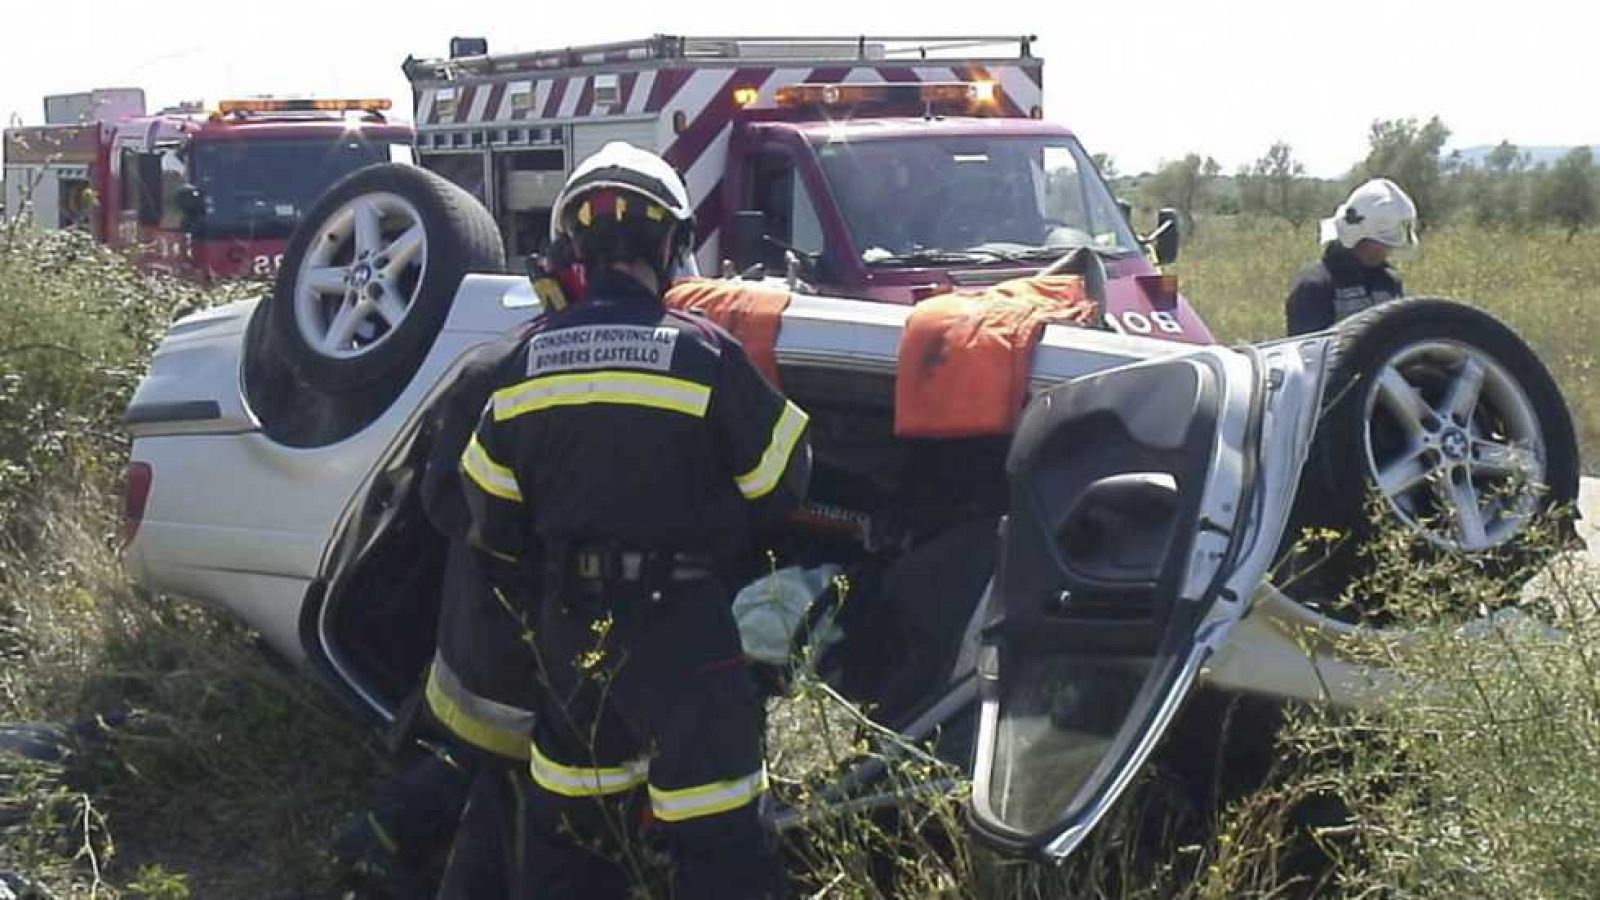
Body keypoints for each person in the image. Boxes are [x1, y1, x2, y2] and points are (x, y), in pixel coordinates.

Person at [458, 141, 811, 898]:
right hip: (683, 630)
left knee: (574, 848)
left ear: (574, 247)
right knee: (719, 845)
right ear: (672, 244)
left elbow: (488, 516)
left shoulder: (520, 366)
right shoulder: (705, 355)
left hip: (570, 632)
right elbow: (783, 483)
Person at [333, 327, 543, 900]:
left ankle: (383, 845)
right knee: (496, 775)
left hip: (486, 647)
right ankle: (382, 849)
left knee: (484, 773)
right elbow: (450, 500)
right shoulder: (498, 371)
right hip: (497, 642)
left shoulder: (495, 367)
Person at [1285, 178, 1417, 336]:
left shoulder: (1388, 281)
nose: (1388, 249)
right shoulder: (1314, 287)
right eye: (1382, 242)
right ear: (1358, 236)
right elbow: (1308, 355)